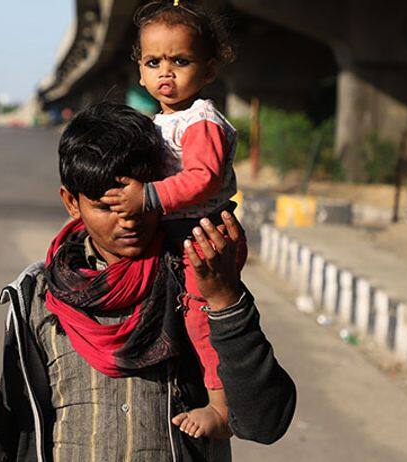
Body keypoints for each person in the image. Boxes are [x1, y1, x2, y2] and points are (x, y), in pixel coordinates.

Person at [0, 102, 295, 462]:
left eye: (140, 202)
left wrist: (226, 302)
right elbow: (17, 449)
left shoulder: (198, 279)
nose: (129, 220)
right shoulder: (38, 297)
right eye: (106, 207)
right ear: (72, 202)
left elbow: (264, 422)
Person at [99, 1, 245, 437]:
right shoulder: (162, 121)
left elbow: (202, 178)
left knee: (204, 317)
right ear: (140, 72)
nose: (166, 72)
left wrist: (149, 196)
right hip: (177, 232)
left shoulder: (201, 121)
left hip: (204, 236)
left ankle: (221, 409)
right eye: (153, 62)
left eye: (180, 61)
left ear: (208, 69)